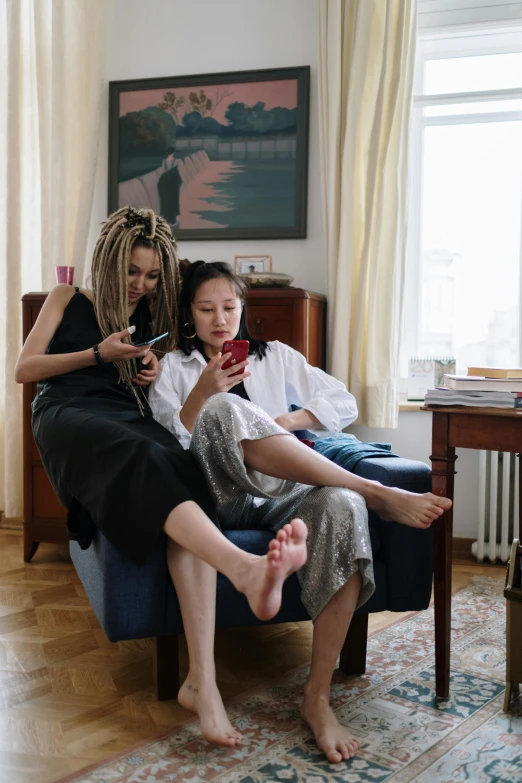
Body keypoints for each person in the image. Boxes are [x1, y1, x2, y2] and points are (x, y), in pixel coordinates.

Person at [14, 207, 311, 736]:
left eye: (152, 275)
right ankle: (243, 569)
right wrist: (96, 354)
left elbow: (157, 377)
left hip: (125, 412)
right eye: (132, 271)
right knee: (140, 455)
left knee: (178, 469)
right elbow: (24, 370)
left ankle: (203, 682)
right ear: (108, 260)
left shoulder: (153, 312)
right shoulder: (66, 298)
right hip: (67, 412)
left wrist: (145, 370)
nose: (141, 285)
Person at [149, 260, 453, 764]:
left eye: (229, 307)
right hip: (218, 496)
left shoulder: (277, 358)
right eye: (206, 309)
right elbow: (170, 447)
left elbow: (341, 401)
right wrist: (204, 394)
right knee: (224, 409)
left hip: (282, 489)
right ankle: (376, 490)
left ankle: (317, 698)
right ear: (189, 314)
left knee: (342, 503)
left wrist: (275, 422)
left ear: (244, 309)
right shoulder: (174, 368)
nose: (219, 318)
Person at [158, 145, 182, 227]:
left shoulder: (164, 161)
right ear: (173, 153)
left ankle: (166, 220)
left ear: (167, 153)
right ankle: (173, 221)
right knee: (174, 201)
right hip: (173, 183)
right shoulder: (176, 161)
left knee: (166, 201)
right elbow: (177, 172)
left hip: (165, 183)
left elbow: (163, 171)